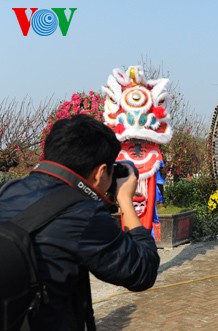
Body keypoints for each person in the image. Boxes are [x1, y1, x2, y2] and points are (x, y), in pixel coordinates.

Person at [0, 115, 160, 330]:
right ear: (101, 172)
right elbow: (142, 271)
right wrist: (125, 201)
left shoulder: (8, 191)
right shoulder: (84, 214)